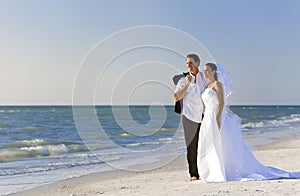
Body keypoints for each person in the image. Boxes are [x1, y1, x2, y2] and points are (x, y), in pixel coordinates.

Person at [198, 63, 300, 182]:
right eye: (204, 70)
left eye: (207, 70)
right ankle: (210, 171)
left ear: (214, 71)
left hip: (215, 117)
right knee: (208, 144)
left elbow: (221, 103)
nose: (204, 72)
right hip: (207, 119)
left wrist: (218, 119)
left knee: (220, 145)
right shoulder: (206, 87)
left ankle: (221, 171)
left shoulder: (217, 84)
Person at [173, 54, 207, 181]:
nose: (188, 65)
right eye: (187, 63)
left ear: (197, 63)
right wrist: (187, 84)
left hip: (204, 116)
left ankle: (205, 170)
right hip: (189, 117)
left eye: (191, 63)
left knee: (204, 145)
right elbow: (176, 97)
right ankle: (194, 174)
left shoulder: (204, 78)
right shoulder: (183, 80)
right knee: (191, 147)